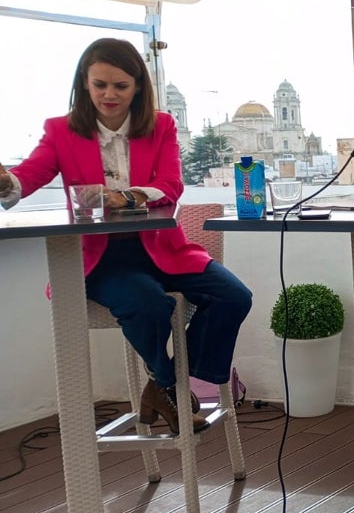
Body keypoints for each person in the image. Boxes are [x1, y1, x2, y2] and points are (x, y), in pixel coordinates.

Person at [0, 38, 252, 436]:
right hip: (102, 259)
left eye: (120, 86)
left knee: (234, 296)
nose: (109, 95)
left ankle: (165, 385)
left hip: (161, 250)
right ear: (84, 83)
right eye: (100, 84)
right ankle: (169, 386)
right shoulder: (61, 131)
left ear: (138, 86)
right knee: (148, 305)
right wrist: (6, 182)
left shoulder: (162, 125)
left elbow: (170, 184)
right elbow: (28, 176)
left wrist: (126, 196)